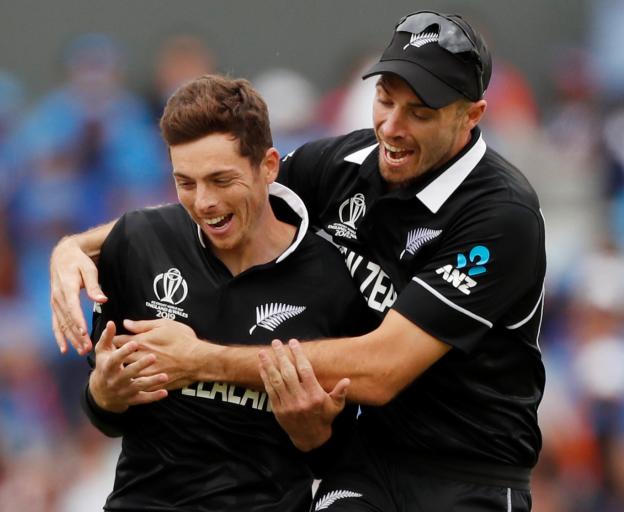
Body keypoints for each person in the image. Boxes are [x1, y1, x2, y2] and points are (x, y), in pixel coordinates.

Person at [50, 10, 546, 511]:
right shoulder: (345, 164)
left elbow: (383, 369)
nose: (391, 127)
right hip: (363, 460)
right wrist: (75, 247)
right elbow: (223, 197)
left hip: (467, 469)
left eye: (419, 112)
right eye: (384, 100)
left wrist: (201, 360)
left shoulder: (502, 216)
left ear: (472, 115)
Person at [76, 74, 377, 511]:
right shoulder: (138, 244)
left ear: (269, 166)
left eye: (221, 180)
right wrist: (103, 394)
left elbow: (340, 456)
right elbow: (106, 415)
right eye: (186, 182)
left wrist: (313, 435)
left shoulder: (333, 281)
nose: (203, 202)